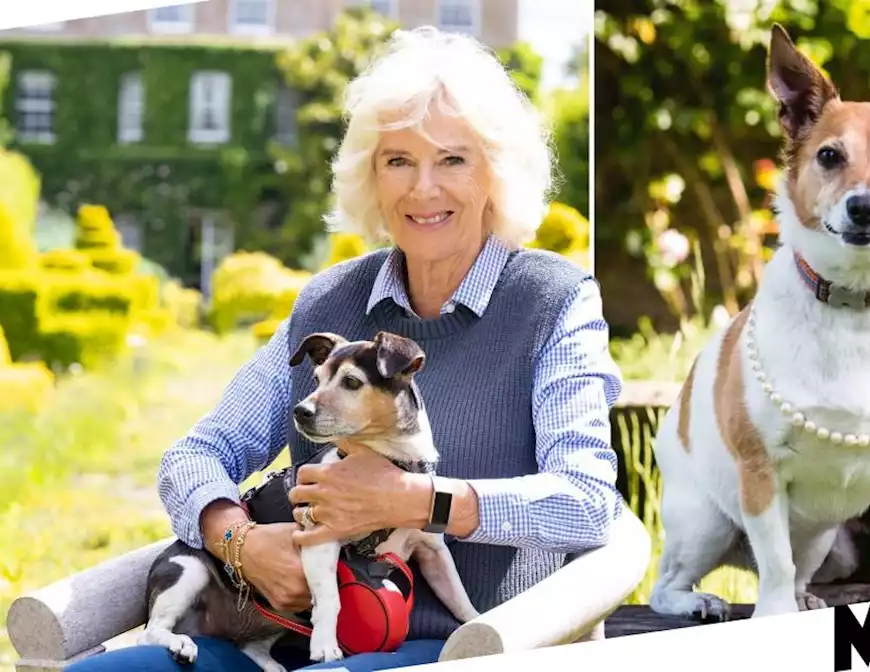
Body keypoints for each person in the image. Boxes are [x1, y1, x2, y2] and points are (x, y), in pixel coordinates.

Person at [69, 25, 624, 672]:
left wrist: (420, 502)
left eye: (453, 159)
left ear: (496, 171)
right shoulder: (330, 305)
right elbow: (195, 454)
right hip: (286, 642)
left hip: (463, 649)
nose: (423, 189)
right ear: (371, 176)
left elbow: (586, 503)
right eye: (398, 161)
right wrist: (242, 543)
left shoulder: (554, 302)